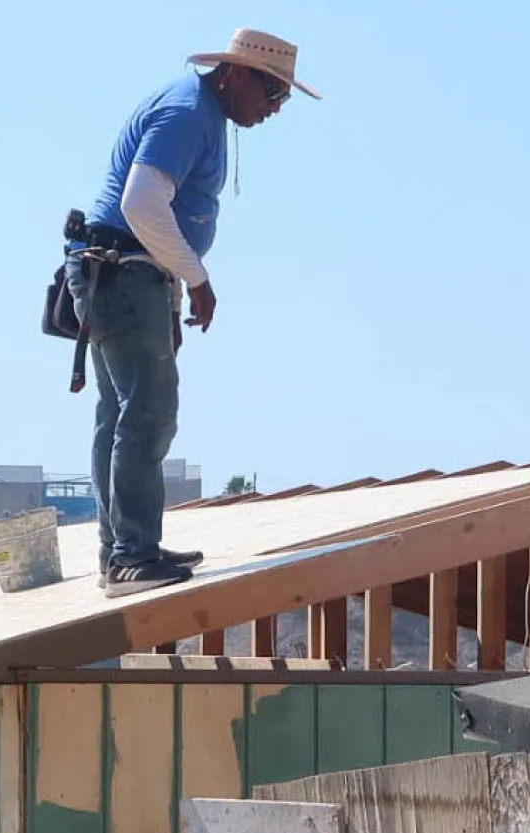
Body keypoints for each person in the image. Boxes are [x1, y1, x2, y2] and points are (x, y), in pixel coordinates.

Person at [64, 30, 314, 597]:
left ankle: (123, 549)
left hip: (122, 273)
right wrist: (197, 281)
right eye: (271, 94)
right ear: (236, 74)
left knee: (119, 412)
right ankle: (130, 554)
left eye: (282, 101)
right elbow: (142, 204)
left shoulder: (202, 111)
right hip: (124, 270)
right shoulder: (187, 113)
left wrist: (170, 296)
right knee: (147, 413)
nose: (273, 109)